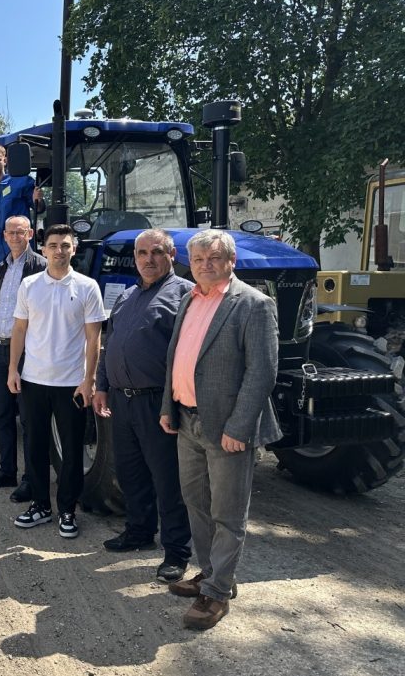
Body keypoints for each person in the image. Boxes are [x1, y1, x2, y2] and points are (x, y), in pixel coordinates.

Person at [159, 229, 280, 630]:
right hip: (187, 419)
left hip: (227, 427)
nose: (205, 265)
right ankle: (212, 573)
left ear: (231, 261)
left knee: (227, 513)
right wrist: (168, 407)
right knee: (197, 504)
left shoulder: (253, 304)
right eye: (198, 260)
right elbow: (176, 358)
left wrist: (240, 427)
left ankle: (216, 594)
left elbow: (262, 372)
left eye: (213, 258)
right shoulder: (189, 300)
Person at [92, 229, 193, 583]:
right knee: (131, 472)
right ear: (134, 258)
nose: (148, 259)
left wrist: (172, 404)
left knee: (167, 479)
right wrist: (102, 386)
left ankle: (177, 551)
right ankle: (138, 531)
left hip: (158, 402)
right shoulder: (127, 296)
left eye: (157, 252)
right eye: (142, 253)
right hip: (122, 400)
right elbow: (110, 343)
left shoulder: (184, 295)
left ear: (171, 255)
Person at [8, 224, 106, 538]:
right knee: (34, 446)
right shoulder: (29, 285)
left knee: (72, 450)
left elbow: (94, 339)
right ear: (43, 249)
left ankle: (67, 510)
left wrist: (89, 380)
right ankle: (40, 505)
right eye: (53, 245)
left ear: (74, 249)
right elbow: (19, 330)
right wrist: (13, 369)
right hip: (33, 380)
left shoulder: (88, 287)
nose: (59, 250)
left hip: (71, 384)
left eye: (65, 245)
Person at [0, 215, 46, 502]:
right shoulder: (1, 267)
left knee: (29, 419)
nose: (15, 237)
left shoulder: (40, 266)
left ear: (30, 234)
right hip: (0, 348)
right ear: (4, 236)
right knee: (3, 414)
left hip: (26, 353)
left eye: (21, 232)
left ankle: (31, 479)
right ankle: (7, 470)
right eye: (11, 232)